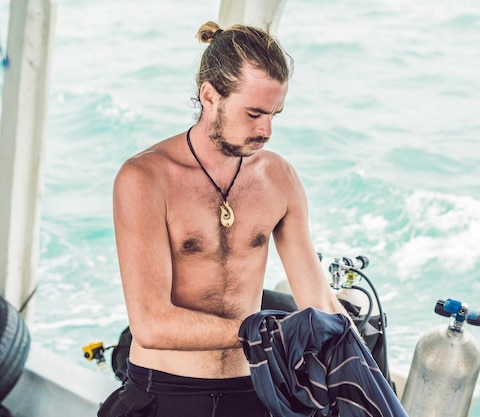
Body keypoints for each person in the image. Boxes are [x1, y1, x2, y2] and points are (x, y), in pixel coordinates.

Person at [98, 21, 349, 417]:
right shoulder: (145, 179)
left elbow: (315, 294)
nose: (265, 130)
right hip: (167, 392)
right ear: (209, 95)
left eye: (274, 114)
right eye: (253, 113)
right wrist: (268, 334)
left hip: (255, 390)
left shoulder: (279, 177)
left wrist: (350, 349)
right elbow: (150, 324)